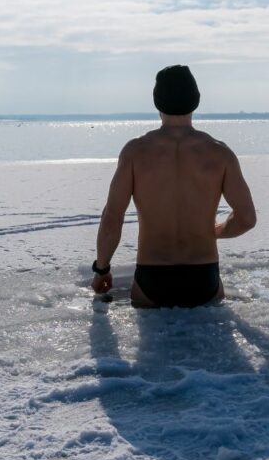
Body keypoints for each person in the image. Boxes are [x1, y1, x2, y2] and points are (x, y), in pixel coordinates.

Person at [91, 65, 257, 308]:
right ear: (196, 101)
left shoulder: (135, 152)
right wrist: (215, 231)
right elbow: (246, 218)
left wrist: (102, 269)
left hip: (152, 279)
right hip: (204, 279)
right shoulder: (220, 153)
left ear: (157, 102)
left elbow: (112, 218)